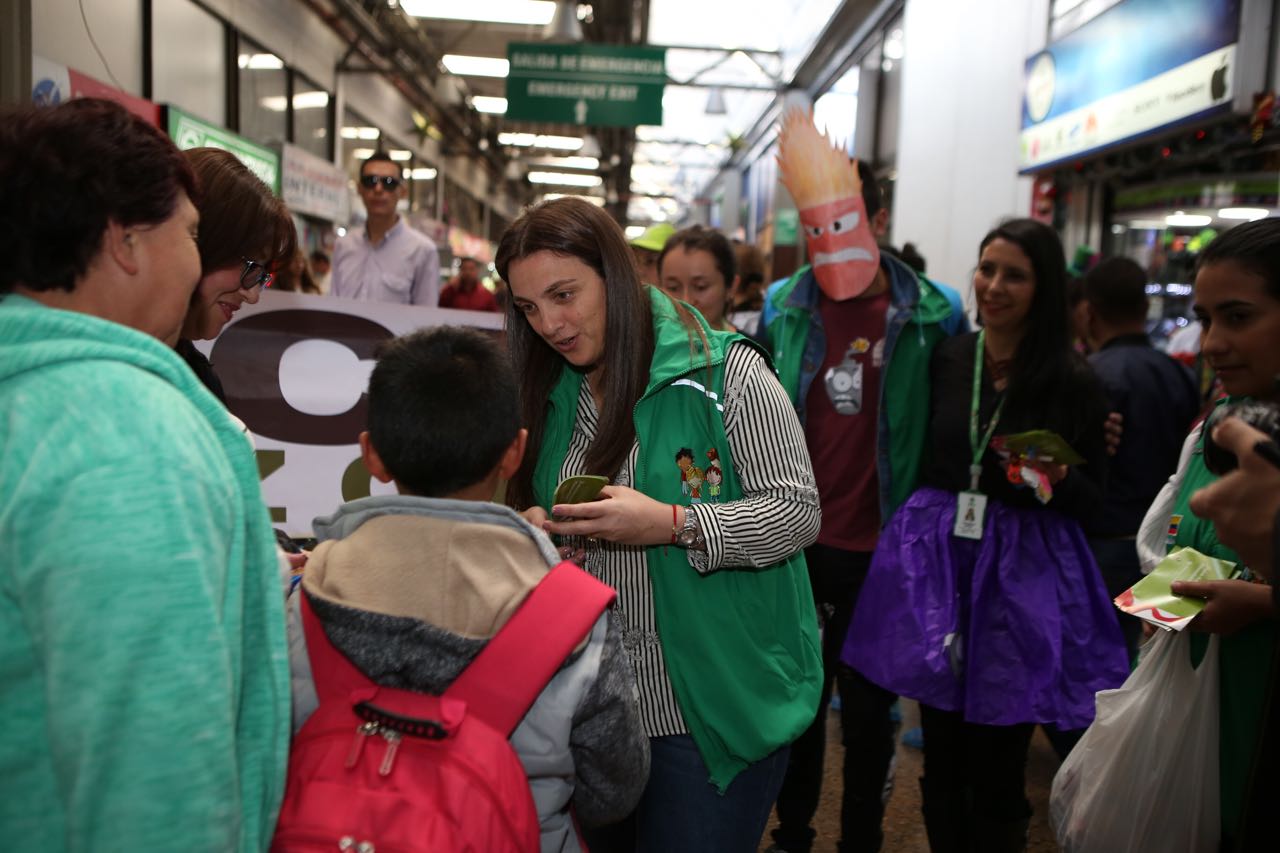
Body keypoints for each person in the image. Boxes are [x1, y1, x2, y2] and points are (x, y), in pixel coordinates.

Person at [0, 98, 290, 850]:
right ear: (125, 241)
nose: (198, 264)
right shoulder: (124, 432)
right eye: (191, 234)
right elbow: (152, 768)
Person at [497, 197, 822, 852]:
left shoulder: (728, 372)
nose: (550, 324)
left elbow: (796, 510)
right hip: (592, 707)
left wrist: (676, 522)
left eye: (564, 294)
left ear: (614, 274)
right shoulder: (549, 390)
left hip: (707, 712)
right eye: (529, 308)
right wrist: (529, 527)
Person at [286, 326, 648, 850]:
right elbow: (614, 790)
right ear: (514, 453)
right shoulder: (574, 614)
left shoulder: (302, 597)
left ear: (371, 455)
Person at [844, 218, 1128, 851]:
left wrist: (1048, 478)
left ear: (1044, 287)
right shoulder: (952, 357)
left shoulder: (1073, 380)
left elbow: (1093, 502)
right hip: (945, 566)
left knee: (999, 755)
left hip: (1020, 577)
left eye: (1014, 275)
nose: (994, 285)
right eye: (987, 268)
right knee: (941, 749)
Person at [757, 110, 968, 853]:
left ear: (876, 217)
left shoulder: (935, 313)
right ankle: (793, 831)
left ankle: (861, 838)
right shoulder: (783, 308)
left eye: (842, 224)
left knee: (874, 708)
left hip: (888, 548)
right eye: (814, 229)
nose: (827, 245)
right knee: (800, 703)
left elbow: (959, 422)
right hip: (800, 540)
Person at [1135, 216, 1280, 848]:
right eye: (1206, 317)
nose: (1213, 341)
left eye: (1239, 317)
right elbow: (1175, 544)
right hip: (1193, 737)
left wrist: (1266, 603)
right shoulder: (1216, 425)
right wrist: (1161, 607)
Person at [1080, 256, 1200, 662]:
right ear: (1143, 307)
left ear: (1089, 311)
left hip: (1102, 541)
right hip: (1163, 545)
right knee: (1149, 658)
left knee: (1095, 658)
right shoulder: (1178, 373)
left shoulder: (1090, 375)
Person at [175, 147, 297, 401]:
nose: (252, 296)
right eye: (250, 266)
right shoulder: (107, 374)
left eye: (261, 275)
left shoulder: (197, 379)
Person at [331, 151, 440, 305]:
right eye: (370, 181)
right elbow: (334, 303)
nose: (378, 189)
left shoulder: (423, 251)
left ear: (402, 192)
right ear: (359, 188)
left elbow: (427, 317)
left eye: (389, 183)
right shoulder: (343, 246)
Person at [657, 225, 738, 331]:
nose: (685, 301)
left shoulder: (748, 347)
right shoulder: (643, 345)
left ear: (731, 287)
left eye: (700, 287)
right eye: (673, 288)